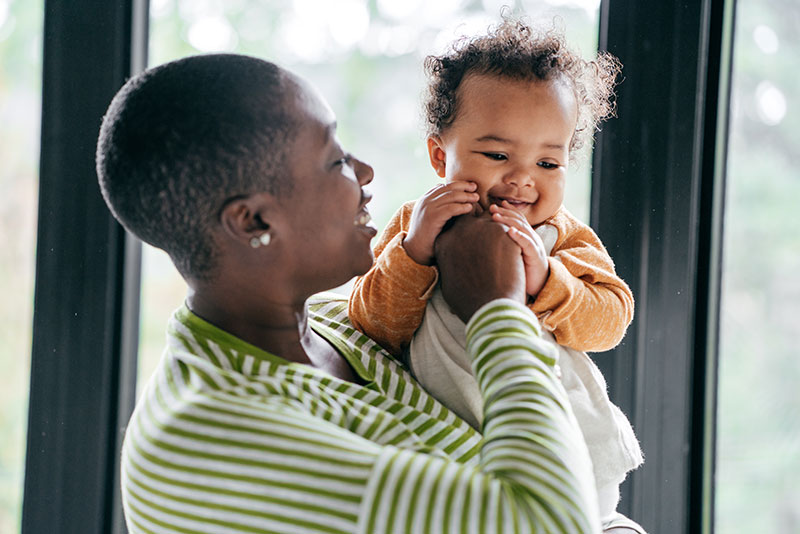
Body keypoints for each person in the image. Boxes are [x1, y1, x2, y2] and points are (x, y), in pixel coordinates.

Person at [96, 52, 601, 533]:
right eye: (335, 160)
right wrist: (497, 307)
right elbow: (553, 525)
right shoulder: (210, 440)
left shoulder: (336, 327)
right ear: (253, 219)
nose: (365, 173)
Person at [348, 20, 645, 533]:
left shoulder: (563, 237)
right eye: (498, 155)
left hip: (569, 447)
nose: (523, 178)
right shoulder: (416, 227)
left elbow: (612, 318)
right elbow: (372, 321)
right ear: (441, 155)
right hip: (456, 454)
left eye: (548, 161)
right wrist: (415, 250)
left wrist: (548, 281)